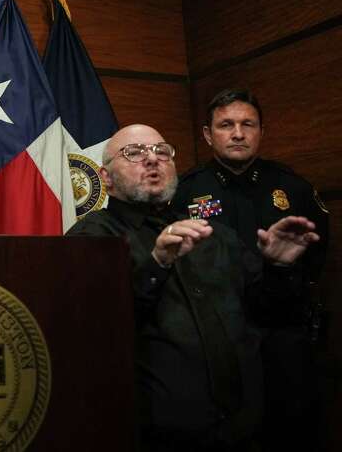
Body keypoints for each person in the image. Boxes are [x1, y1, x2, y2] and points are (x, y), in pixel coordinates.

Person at [67, 124, 319, 451]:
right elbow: (95, 333)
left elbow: (267, 312)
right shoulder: (91, 239)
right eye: (134, 153)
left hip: (245, 428)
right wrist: (157, 264)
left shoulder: (216, 234)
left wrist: (278, 268)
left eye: (162, 151)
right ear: (106, 176)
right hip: (157, 435)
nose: (152, 159)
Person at [172, 89, 329, 451]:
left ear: (261, 131)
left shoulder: (293, 187)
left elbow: (318, 255)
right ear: (208, 135)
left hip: (282, 332)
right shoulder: (185, 192)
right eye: (226, 125)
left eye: (248, 124)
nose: (238, 133)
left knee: (291, 430)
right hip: (218, 338)